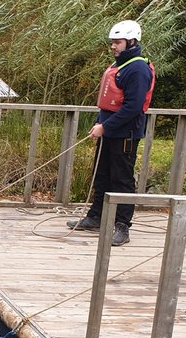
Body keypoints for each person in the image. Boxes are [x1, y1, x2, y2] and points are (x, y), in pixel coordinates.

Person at [67, 20, 157, 247]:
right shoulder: (122, 66)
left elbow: (133, 107)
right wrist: (100, 124)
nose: (113, 47)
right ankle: (96, 216)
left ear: (132, 42)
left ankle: (122, 226)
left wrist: (105, 126)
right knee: (103, 174)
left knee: (122, 179)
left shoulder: (137, 69)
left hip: (125, 134)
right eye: (113, 43)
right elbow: (110, 103)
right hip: (109, 131)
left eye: (117, 42)